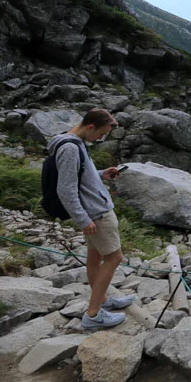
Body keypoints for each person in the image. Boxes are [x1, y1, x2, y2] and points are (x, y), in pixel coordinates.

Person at [48, 108, 133, 330]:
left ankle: (102, 299)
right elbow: (66, 189)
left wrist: (102, 174)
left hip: (93, 211)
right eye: (101, 134)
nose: (100, 139)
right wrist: (83, 219)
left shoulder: (72, 142)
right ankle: (93, 314)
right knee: (114, 258)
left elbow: (80, 175)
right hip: (96, 213)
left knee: (94, 257)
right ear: (90, 127)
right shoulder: (70, 148)